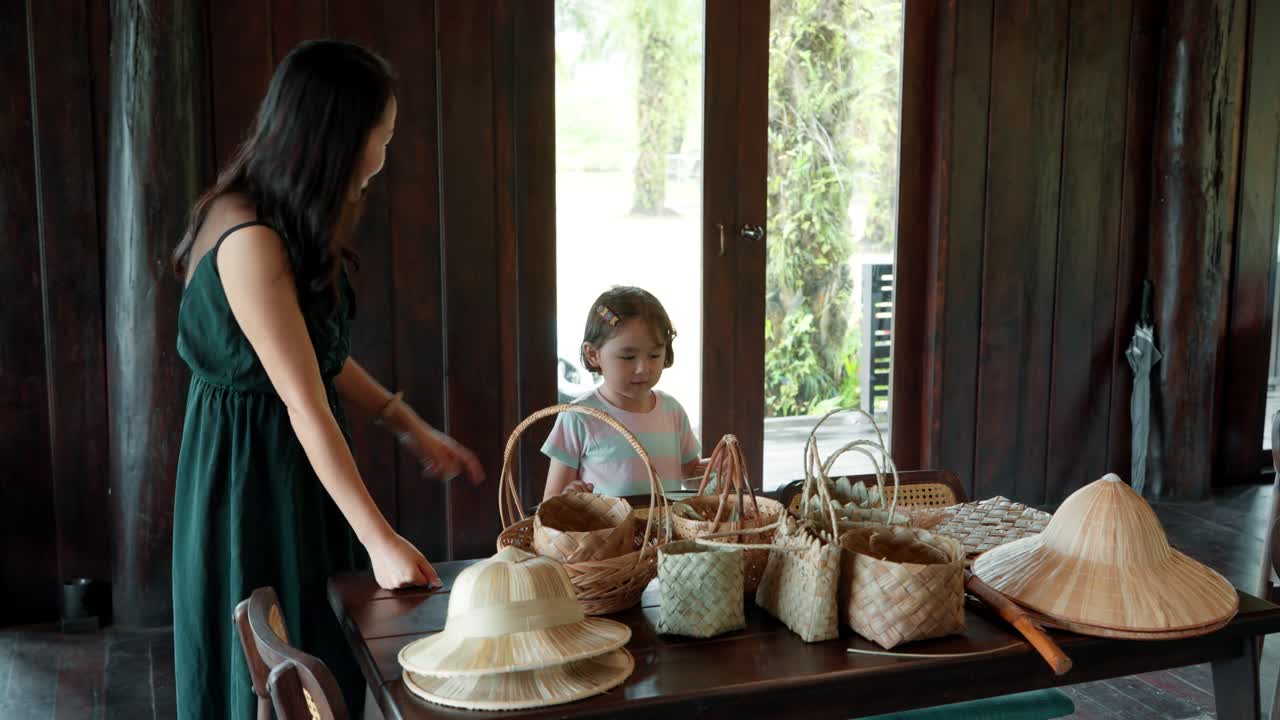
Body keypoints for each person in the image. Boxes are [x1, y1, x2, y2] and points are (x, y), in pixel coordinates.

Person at [170, 39, 483, 719]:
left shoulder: (278, 214)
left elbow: (319, 355)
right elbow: (303, 400)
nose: (383, 156)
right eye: (383, 137)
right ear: (337, 138)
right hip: (250, 473)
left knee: (318, 647)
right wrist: (380, 540)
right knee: (277, 663)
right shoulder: (249, 237)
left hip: (291, 460)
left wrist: (409, 425)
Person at [541, 286, 702, 498]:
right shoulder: (579, 417)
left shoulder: (672, 410)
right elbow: (551, 502)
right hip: (608, 531)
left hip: (668, 531)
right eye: (628, 357)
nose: (643, 368)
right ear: (593, 354)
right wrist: (570, 497)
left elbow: (690, 473)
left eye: (654, 355)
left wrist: (720, 469)